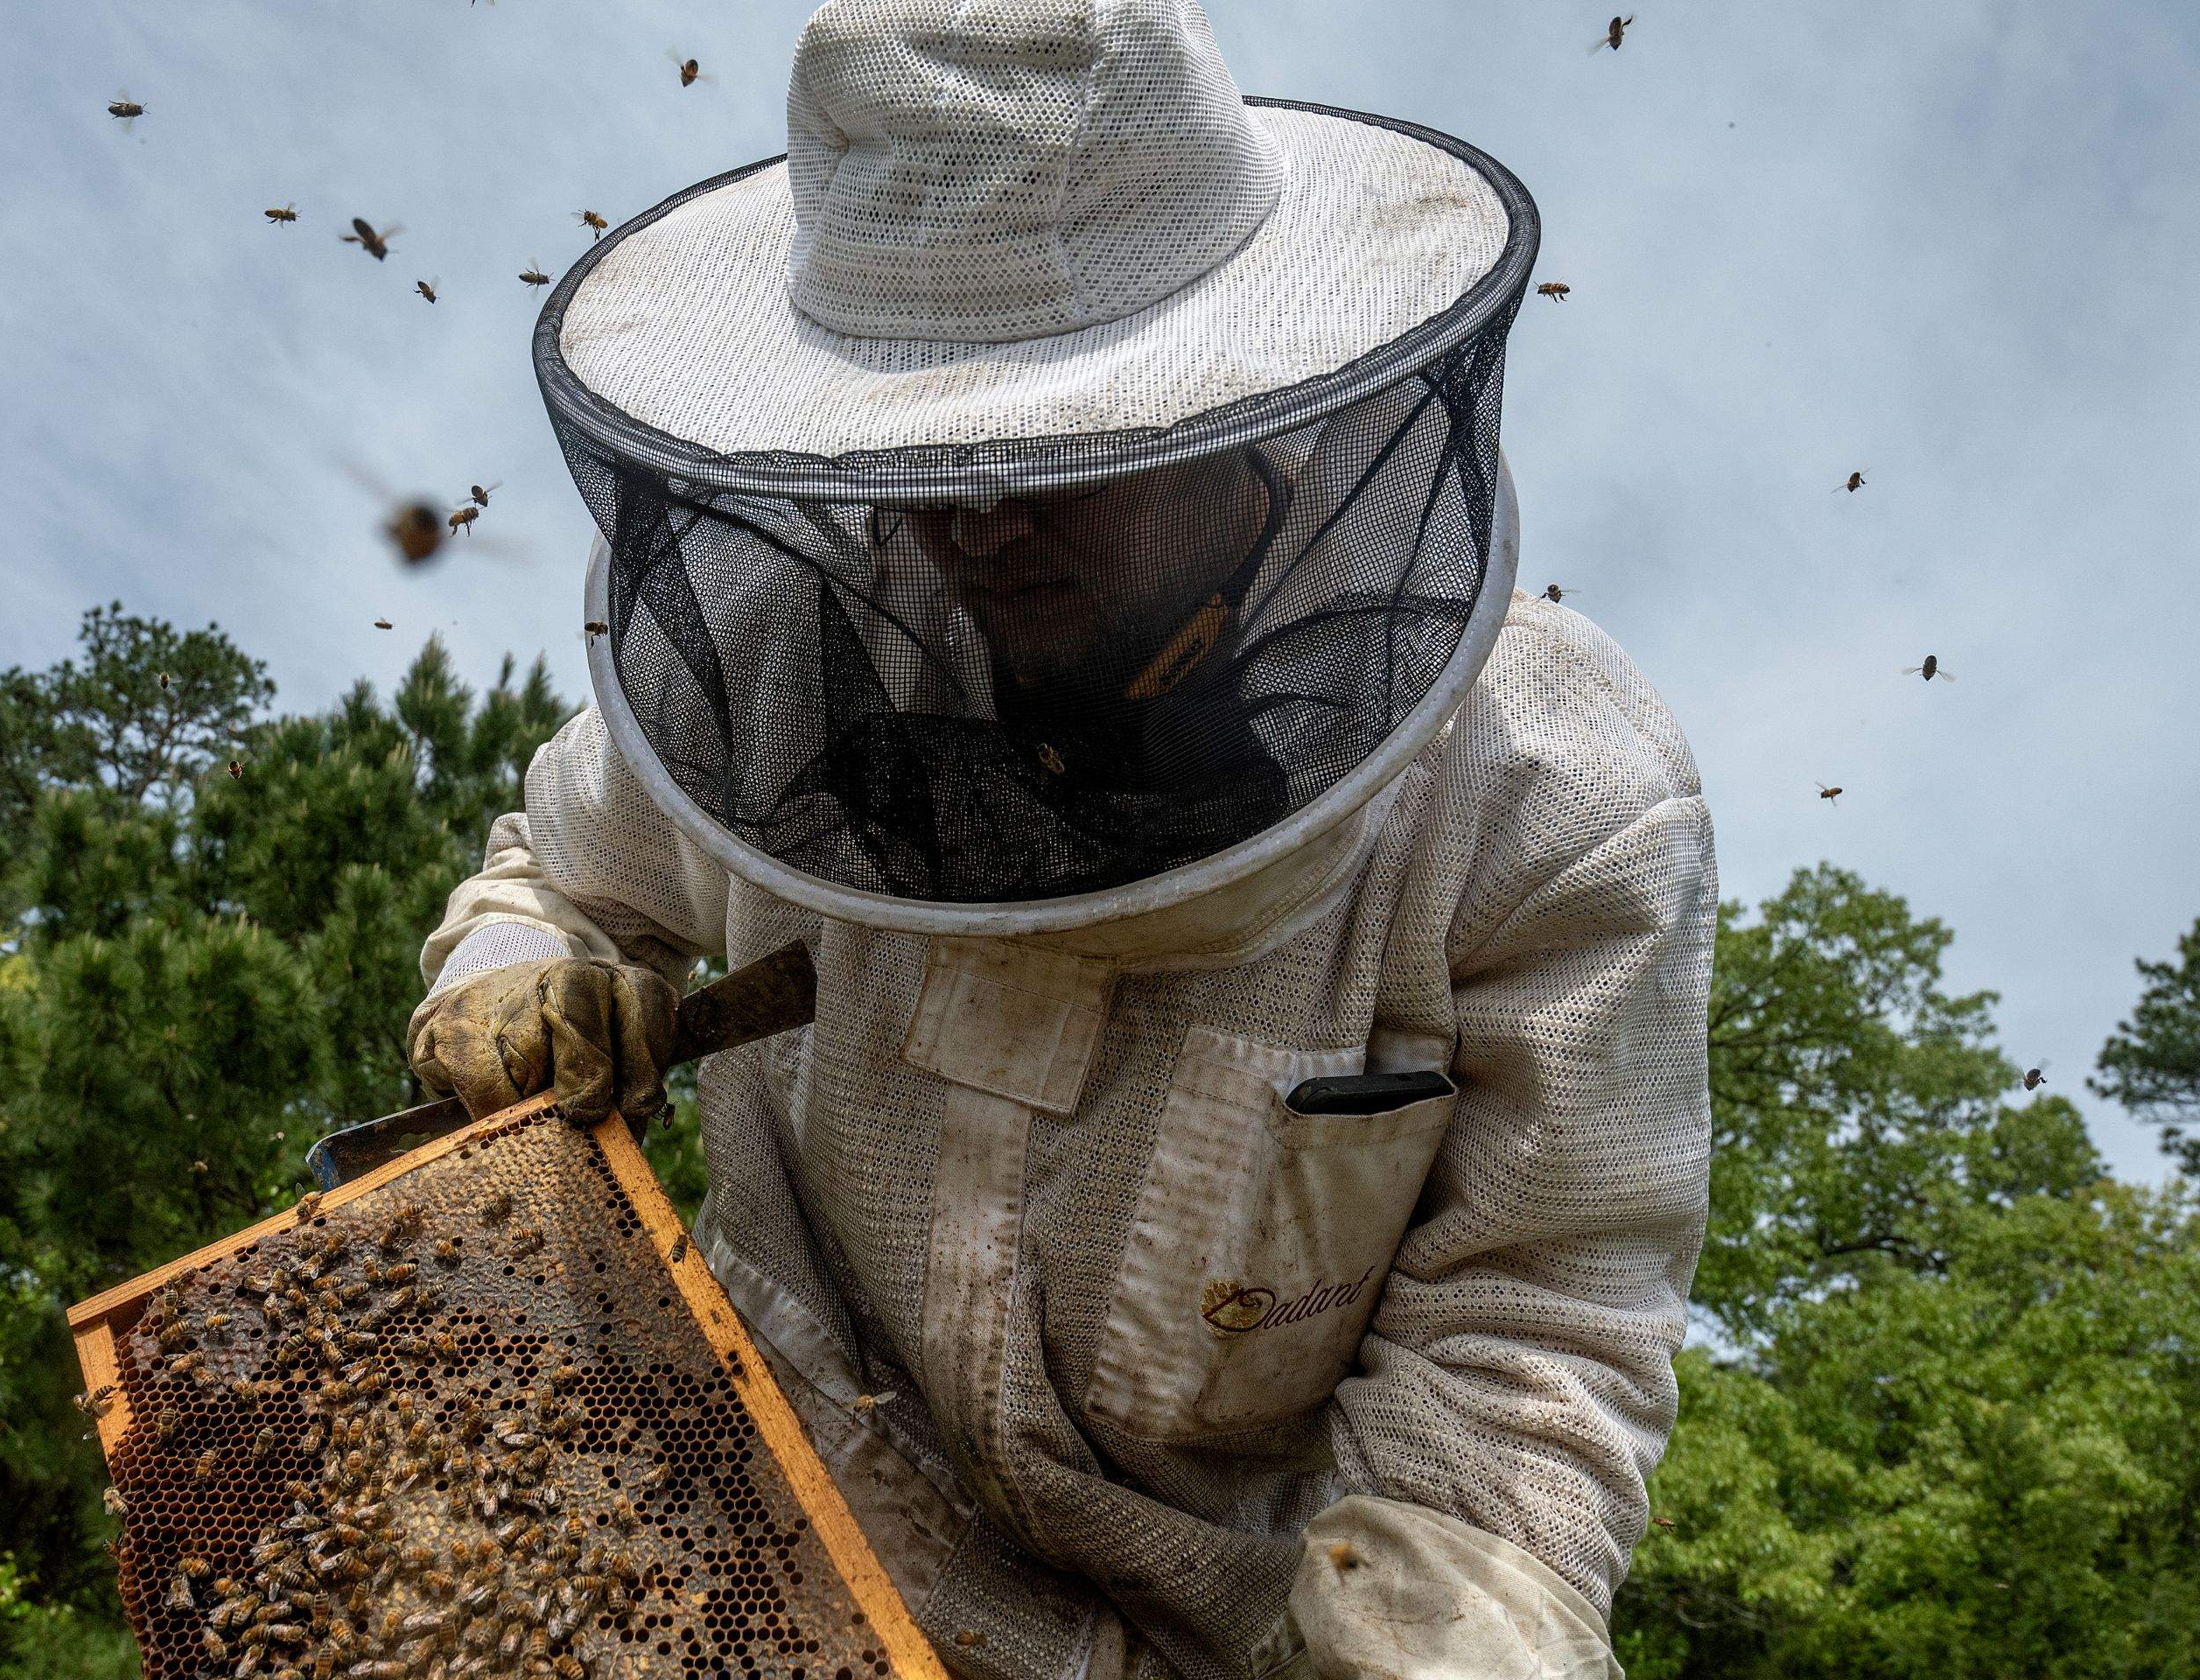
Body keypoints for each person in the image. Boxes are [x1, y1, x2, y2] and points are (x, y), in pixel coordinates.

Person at [409, 4, 1714, 1676]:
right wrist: (528, 974)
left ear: (1248, 389)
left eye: (1063, 451)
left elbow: (1535, 1315)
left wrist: (1446, 1632)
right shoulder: (780, 664)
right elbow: (567, 875)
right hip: (736, 1545)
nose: (980, 525)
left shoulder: (1548, 791)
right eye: (926, 458)